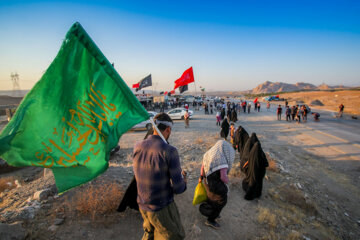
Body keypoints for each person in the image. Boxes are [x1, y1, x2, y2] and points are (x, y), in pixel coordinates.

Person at [133, 113, 187, 240]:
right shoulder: (169, 150)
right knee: (175, 236)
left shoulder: (137, 146)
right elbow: (178, 188)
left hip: (142, 205)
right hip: (161, 207)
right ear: (168, 129)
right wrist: (183, 180)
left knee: (149, 234)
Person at [199, 140, 235, 229]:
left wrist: (201, 177)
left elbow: (202, 167)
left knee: (211, 198)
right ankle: (210, 220)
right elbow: (223, 177)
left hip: (207, 182)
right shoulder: (222, 160)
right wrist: (227, 182)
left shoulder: (209, 154)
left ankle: (213, 213)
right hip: (216, 185)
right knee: (221, 201)